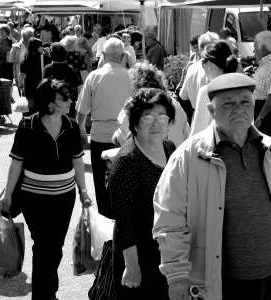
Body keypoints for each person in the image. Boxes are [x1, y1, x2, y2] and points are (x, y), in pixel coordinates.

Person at [153, 72, 271, 300]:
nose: (238, 109)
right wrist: (177, 274)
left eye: (245, 102)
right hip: (219, 284)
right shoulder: (188, 157)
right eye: (228, 103)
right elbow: (169, 220)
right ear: (211, 111)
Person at [0, 78, 92, 300]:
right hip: (34, 197)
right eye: (65, 98)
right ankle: (44, 295)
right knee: (42, 246)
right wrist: (8, 194)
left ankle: (48, 290)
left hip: (64, 198)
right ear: (50, 103)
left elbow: (78, 161)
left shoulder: (71, 126)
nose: (71, 100)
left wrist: (84, 192)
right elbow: (16, 162)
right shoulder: (27, 126)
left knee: (55, 246)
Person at [109, 87, 176, 299]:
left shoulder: (169, 147)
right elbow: (123, 221)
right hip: (139, 253)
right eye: (148, 117)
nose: (156, 123)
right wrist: (131, 265)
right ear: (135, 123)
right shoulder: (127, 161)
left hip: (166, 249)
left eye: (161, 116)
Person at [76, 37, 133, 219]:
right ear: (123, 55)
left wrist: (81, 131)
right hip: (126, 137)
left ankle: (104, 219)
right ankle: (121, 219)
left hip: (100, 135)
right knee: (125, 181)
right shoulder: (132, 76)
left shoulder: (94, 76)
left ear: (104, 56)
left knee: (100, 182)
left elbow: (82, 110)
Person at [112, 61, 190, 148]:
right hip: (175, 157)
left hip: (146, 159)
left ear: (135, 84)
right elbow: (187, 134)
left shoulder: (134, 104)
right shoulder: (174, 104)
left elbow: (123, 137)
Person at [189, 40, 239, 137]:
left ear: (209, 64)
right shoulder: (243, 88)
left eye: (203, 61)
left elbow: (196, 132)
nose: (202, 66)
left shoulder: (207, 91)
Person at [179, 31, 219, 111]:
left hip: (196, 115)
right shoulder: (215, 67)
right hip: (214, 116)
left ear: (200, 48)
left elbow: (183, 95)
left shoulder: (191, 68)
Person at [43, 42, 82, 118]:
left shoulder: (48, 68)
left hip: (53, 103)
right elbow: (78, 86)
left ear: (51, 54)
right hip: (68, 103)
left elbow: (44, 86)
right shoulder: (69, 68)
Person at [19, 37, 52, 114]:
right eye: (41, 46)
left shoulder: (25, 60)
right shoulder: (45, 58)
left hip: (29, 87)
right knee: (42, 109)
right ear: (37, 47)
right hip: (42, 86)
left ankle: (31, 123)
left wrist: (20, 85)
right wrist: (47, 53)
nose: (42, 47)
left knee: (31, 109)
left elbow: (21, 75)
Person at [8, 26, 35, 90]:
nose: (33, 37)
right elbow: (11, 59)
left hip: (32, 70)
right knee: (22, 90)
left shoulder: (34, 46)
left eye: (32, 35)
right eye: (31, 35)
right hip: (20, 71)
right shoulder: (15, 47)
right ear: (24, 36)